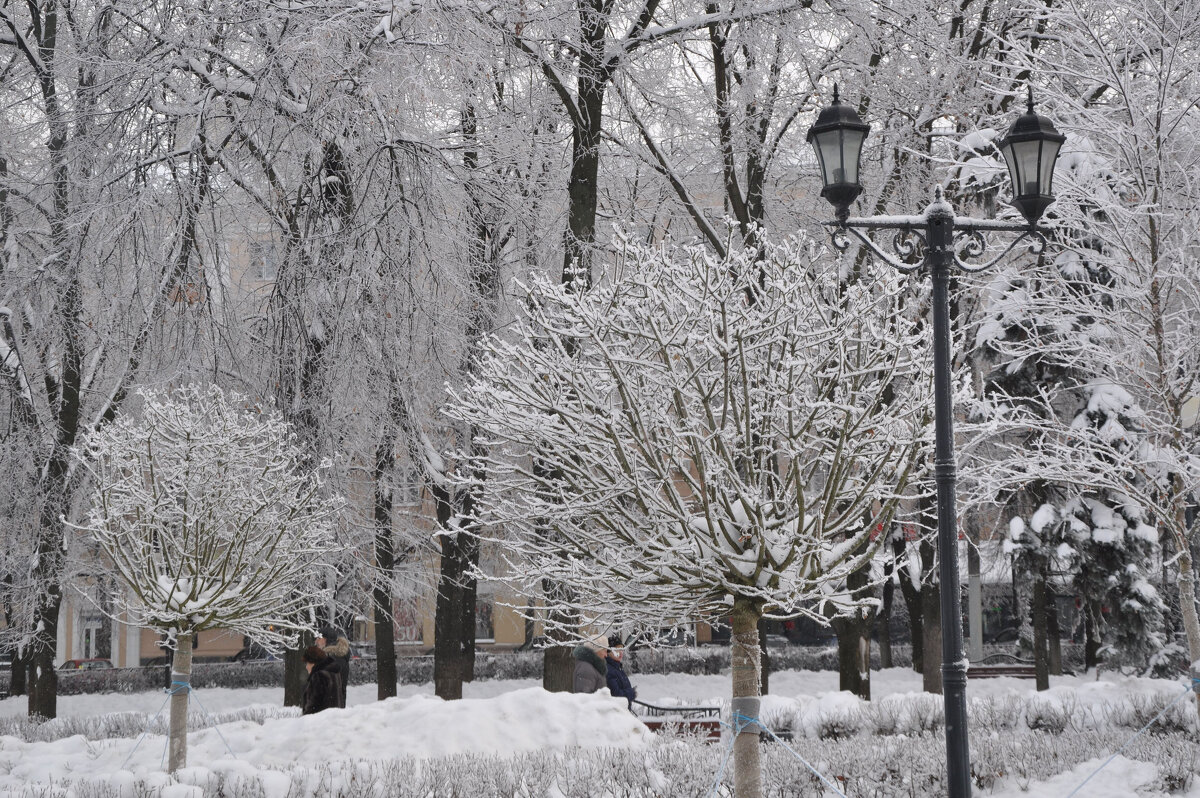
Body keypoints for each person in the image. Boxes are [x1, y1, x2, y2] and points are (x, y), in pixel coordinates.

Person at [316, 626, 351, 708]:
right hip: (334, 709)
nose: (316, 641)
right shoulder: (335, 657)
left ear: (326, 639)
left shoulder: (333, 660)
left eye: (318, 638)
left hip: (330, 710)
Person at [301, 645, 341, 715]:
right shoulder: (333, 673)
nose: (306, 667)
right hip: (333, 720)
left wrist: (304, 721)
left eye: (307, 663)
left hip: (318, 723)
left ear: (313, 663)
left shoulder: (319, 676)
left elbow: (313, 706)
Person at [604, 636, 637, 708]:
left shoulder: (617, 668)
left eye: (622, 649)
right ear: (609, 651)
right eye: (617, 650)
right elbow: (616, 695)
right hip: (617, 713)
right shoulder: (609, 670)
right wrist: (631, 693)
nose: (621, 653)